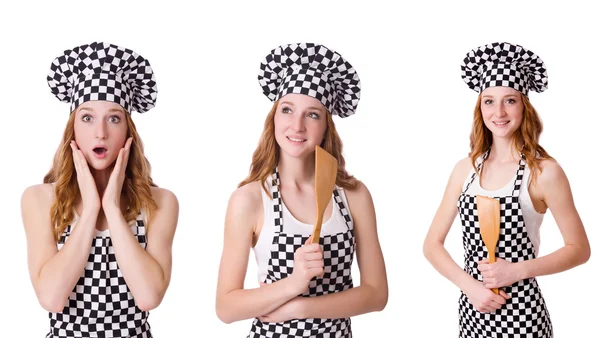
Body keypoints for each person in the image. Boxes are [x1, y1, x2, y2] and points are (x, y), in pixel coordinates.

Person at [216, 43, 388, 337]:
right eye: (287, 110)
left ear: (325, 127)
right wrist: (294, 284)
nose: (297, 126)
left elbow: (376, 294)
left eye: (312, 114)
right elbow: (226, 307)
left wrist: (299, 308)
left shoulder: (354, 196)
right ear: (273, 119)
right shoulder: (250, 199)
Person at [423, 42, 591, 337]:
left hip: (523, 316)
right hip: (473, 311)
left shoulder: (544, 172)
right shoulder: (466, 169)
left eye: (509, 100)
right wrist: (471, 288)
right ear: (480, 108)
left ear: (524, 105)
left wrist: (517, 270)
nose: (498, 111)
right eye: (489, 101)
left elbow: (579, 250)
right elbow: (432, 245)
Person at [21, 42, 178, 338]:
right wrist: (91, 207)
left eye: (114, 118)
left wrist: (113, 210)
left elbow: (148, 297)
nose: (100, 132)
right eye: (88, 117)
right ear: (73, 129)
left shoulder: (161, 203)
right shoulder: (39, 198)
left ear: (128, 132)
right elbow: (52, 299)